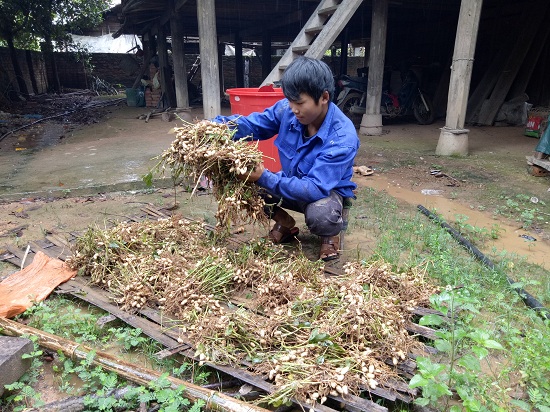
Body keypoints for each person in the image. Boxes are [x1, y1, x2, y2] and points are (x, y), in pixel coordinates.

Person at [213, 57, 359, 261]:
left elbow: (315, 187)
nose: (293, 109)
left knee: (321, 216)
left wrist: (264, 176)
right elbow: (253, 125)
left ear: (324, 97)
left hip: (323, 192)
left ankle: (330, 234)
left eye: (299, 103)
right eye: (290, 101)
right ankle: (284, 221)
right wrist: (215, 128)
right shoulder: (287, 110)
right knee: (236, 178)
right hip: (291, 183)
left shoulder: (343, 138)